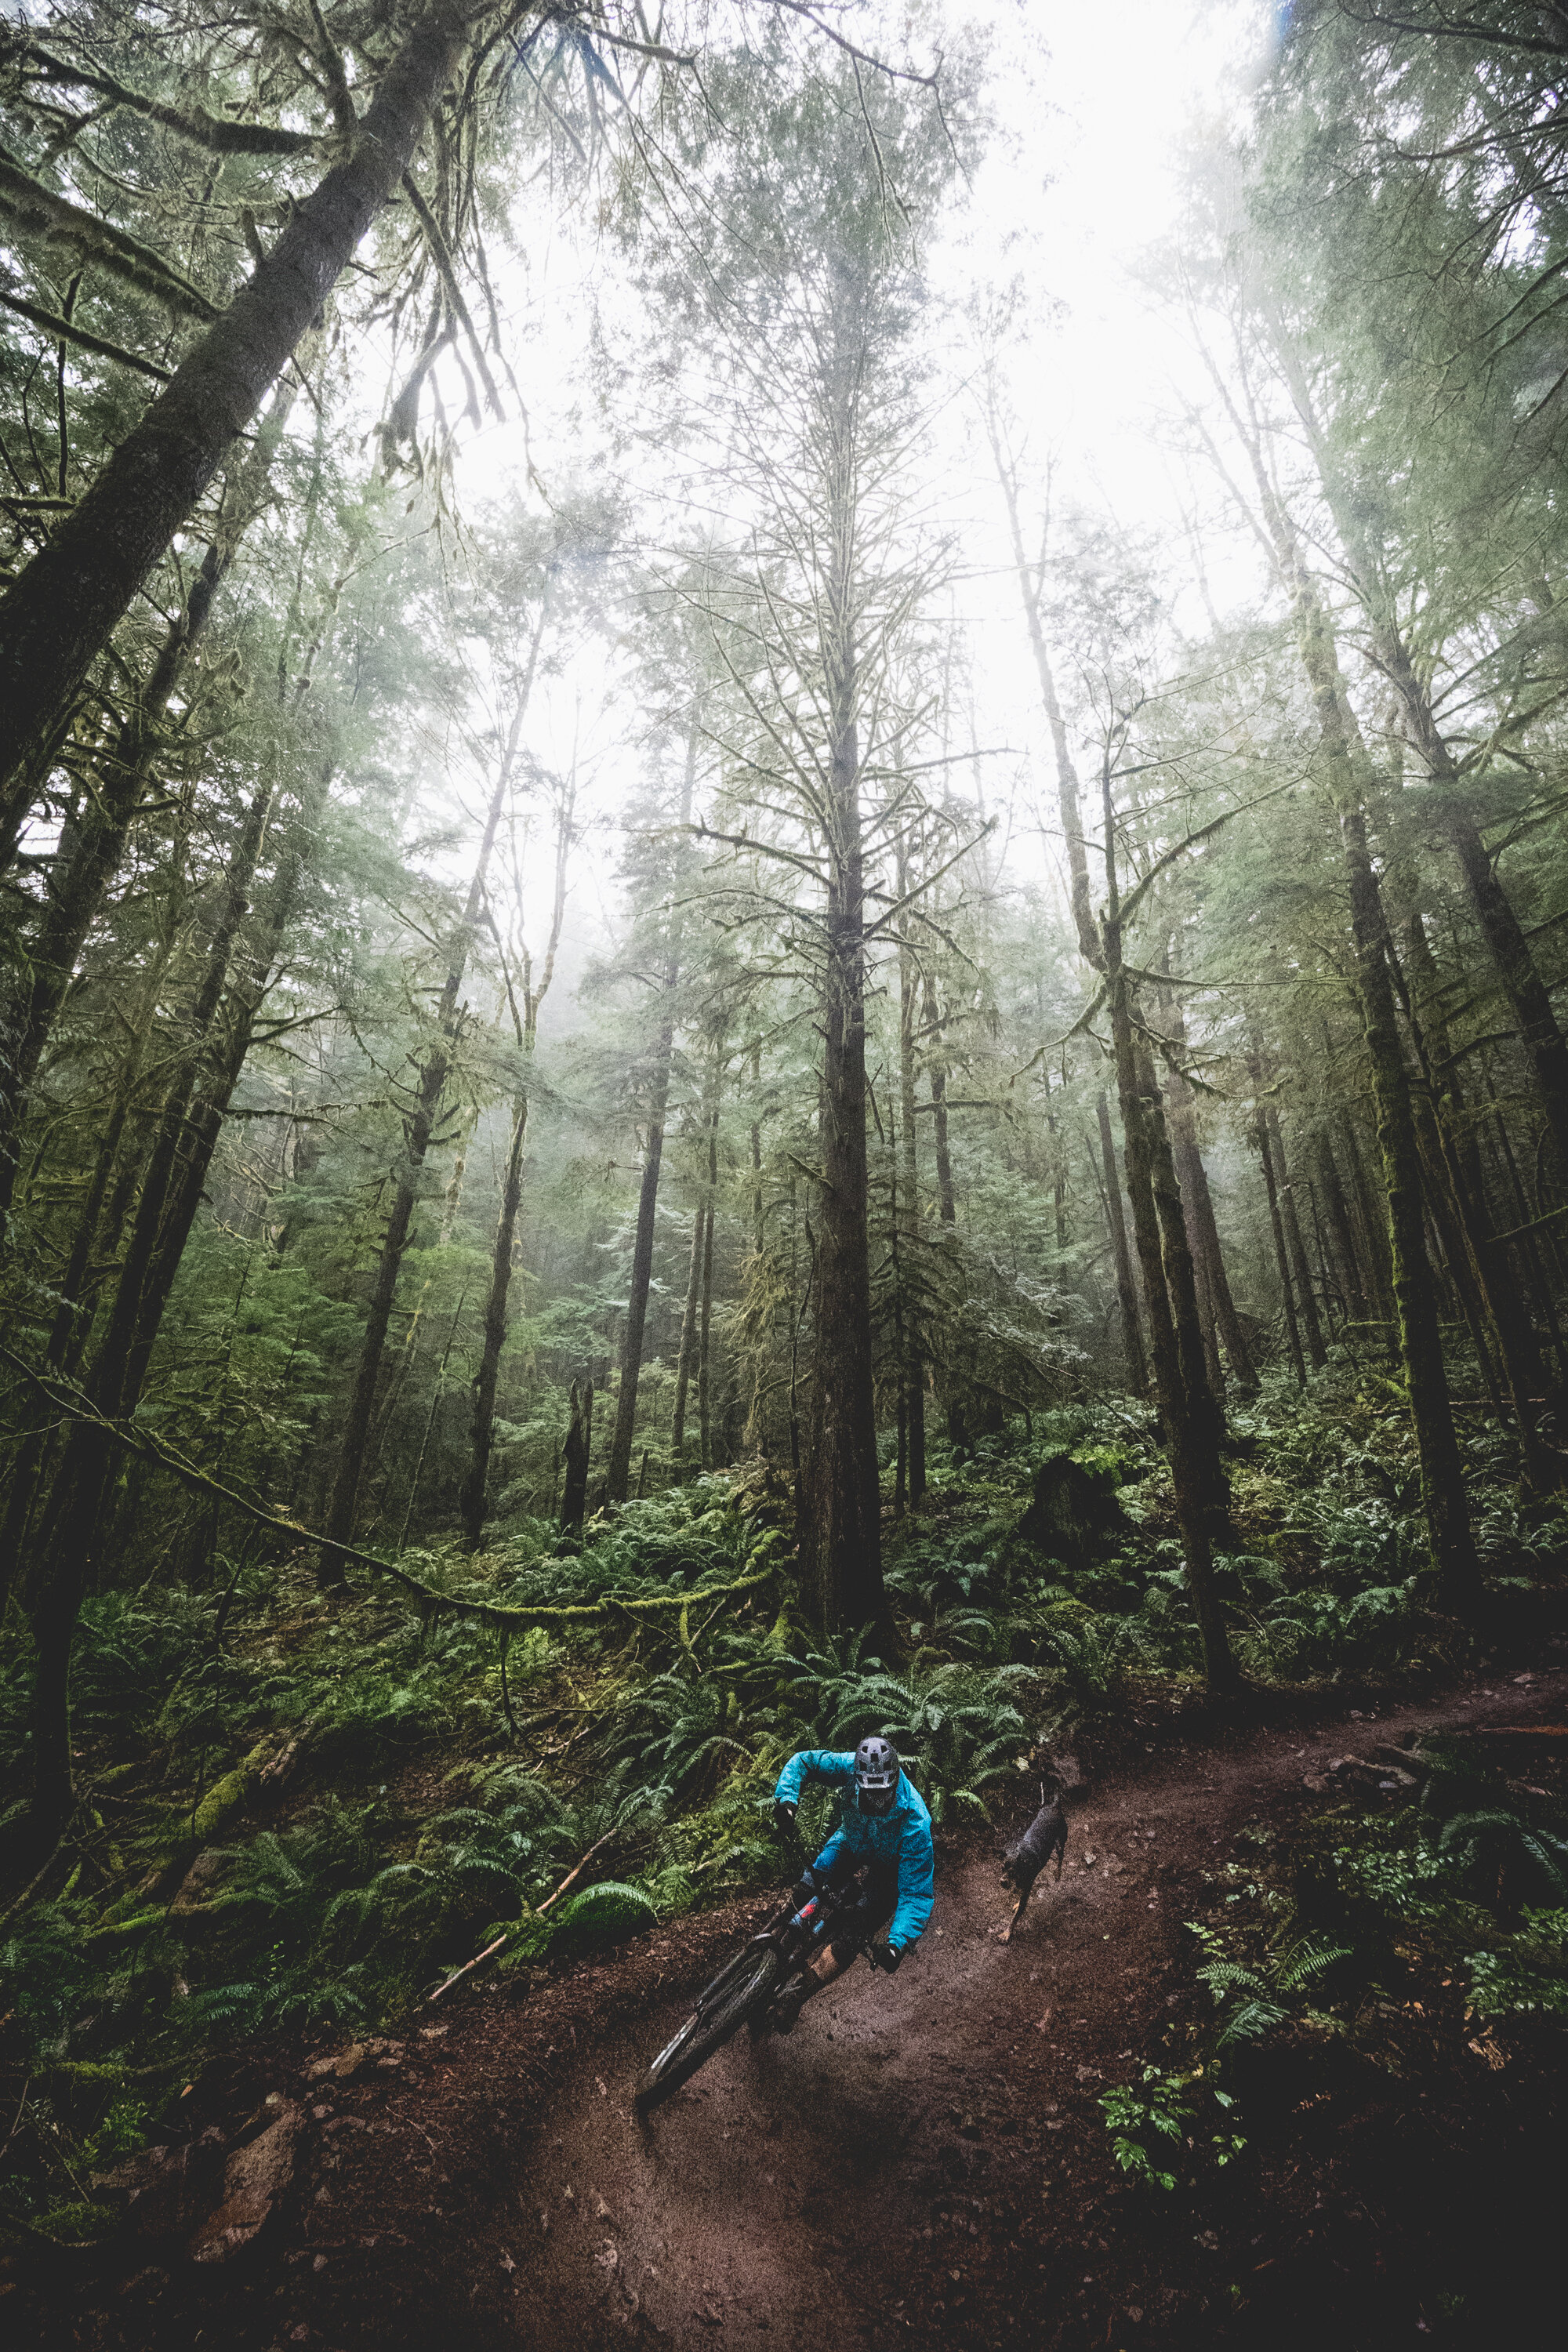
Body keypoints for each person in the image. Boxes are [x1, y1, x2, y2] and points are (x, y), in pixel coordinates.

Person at [768, 1735, 934, 2031]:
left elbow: (915, 1893)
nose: (877, 1801)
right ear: (858, 1779)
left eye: (884, 1793)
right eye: (870, 1793)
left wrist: (897, 1944)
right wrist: (787, 1798)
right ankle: (767, 1951)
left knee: (853, 1936)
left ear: (894, 1782)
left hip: (888, 1869)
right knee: (806, 1888)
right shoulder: (848, 1766)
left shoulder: (915, 1822)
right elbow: (803, 1761)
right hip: (851, 1841)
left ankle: (795, 1997)